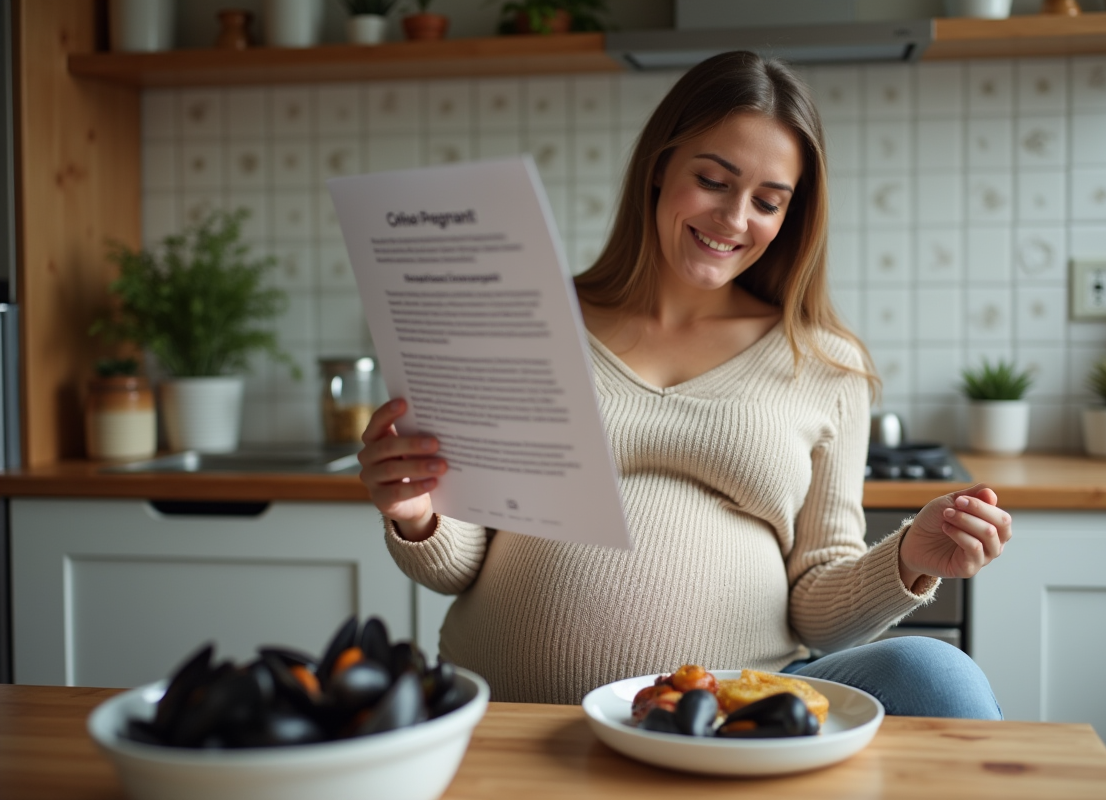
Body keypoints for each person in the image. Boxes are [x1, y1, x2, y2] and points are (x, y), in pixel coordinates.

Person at [358, 51, 1010, 717]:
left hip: (728, 722)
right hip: (518, 716)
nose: (734, 219)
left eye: (767, 201)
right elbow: (456, 565)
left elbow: (818, 607)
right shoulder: (524, 319)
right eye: (713, 180)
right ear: (660, 166)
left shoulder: (826, 364)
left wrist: (908, 558)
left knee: (939, 676)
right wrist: (419, 515)